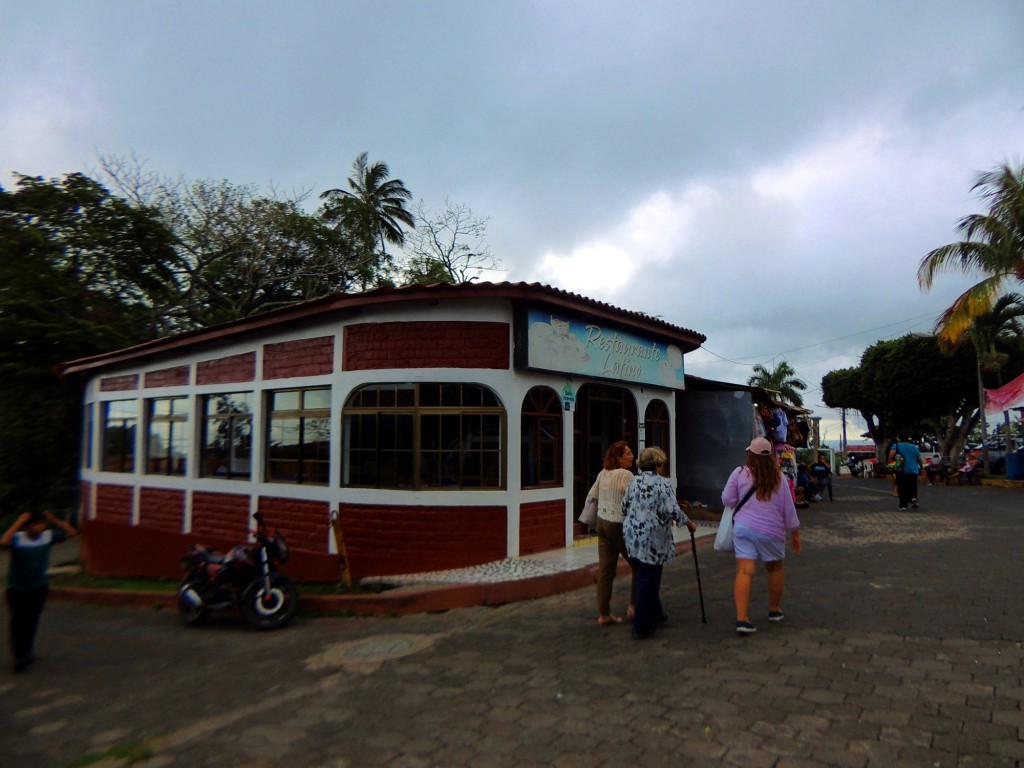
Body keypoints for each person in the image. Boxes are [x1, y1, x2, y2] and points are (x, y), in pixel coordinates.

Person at [721, 437, 802, 636]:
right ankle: (774, 610)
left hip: (744, 528)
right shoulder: (779, 478)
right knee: (775, 568)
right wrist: (795, 533)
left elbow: (727, 499)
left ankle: (742, 618)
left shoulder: (739, 473)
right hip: (772, 531)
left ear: (750, 454)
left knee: (744, 571)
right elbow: (788, 509)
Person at [621, 447, 698, 639]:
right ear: (657, 465)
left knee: (645, 576)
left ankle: (657, 611)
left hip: (633, 537)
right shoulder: (662, 484)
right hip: (652, 540)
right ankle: (641, 627)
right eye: (661, 464)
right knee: (647, 581)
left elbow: (623, 506)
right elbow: (673, 510)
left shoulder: (633, 481)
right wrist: (689, 523)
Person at [2, 510, 78, 672]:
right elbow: (3, 542)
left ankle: (27, 652)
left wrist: (55, 520)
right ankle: (19, 657)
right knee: (18, 621)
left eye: (42, 524)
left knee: (32, 620)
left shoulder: (47, 536)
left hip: (38, 587)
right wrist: (18, 522)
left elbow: (72, 533)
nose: (40, 527)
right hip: (17, 588)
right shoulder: (18, 538)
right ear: (27, 527)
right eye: (36, 524)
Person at [588, 441, 636, 627]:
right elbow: (634, 499)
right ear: (618, 457)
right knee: (639, 564)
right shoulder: (626, 475)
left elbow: (593, 494)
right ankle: (634, 606)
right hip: (618, 524)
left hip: (602, 522)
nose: (632, 457)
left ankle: (604, 614)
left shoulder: (603, 473)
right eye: (628, 453)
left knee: (605, 570)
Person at [888, 436, 923, 510]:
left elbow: (891, 456)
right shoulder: (913, 446)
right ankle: (913, 497)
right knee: (912, 486)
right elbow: (919, 458)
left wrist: (890, 465)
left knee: (902, 487)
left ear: (900, 439)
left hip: (902, 470)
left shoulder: (896, 445)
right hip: (914, 470)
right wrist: (922, 467)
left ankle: (903, 505)